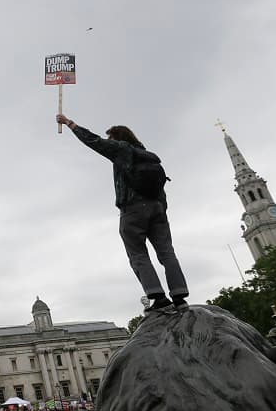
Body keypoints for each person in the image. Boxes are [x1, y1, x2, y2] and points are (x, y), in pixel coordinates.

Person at [55, 114, 189, 311]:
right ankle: (180, 296)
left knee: (137, 254)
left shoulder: (121, 149)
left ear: (117, 138)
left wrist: (70, 123)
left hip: (133, 209)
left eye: (110, 138)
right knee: (167, 251)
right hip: (158, 209)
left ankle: (158, 297)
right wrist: (160, 211)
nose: (108, 141)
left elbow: (94, 141)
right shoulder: (147, 155)